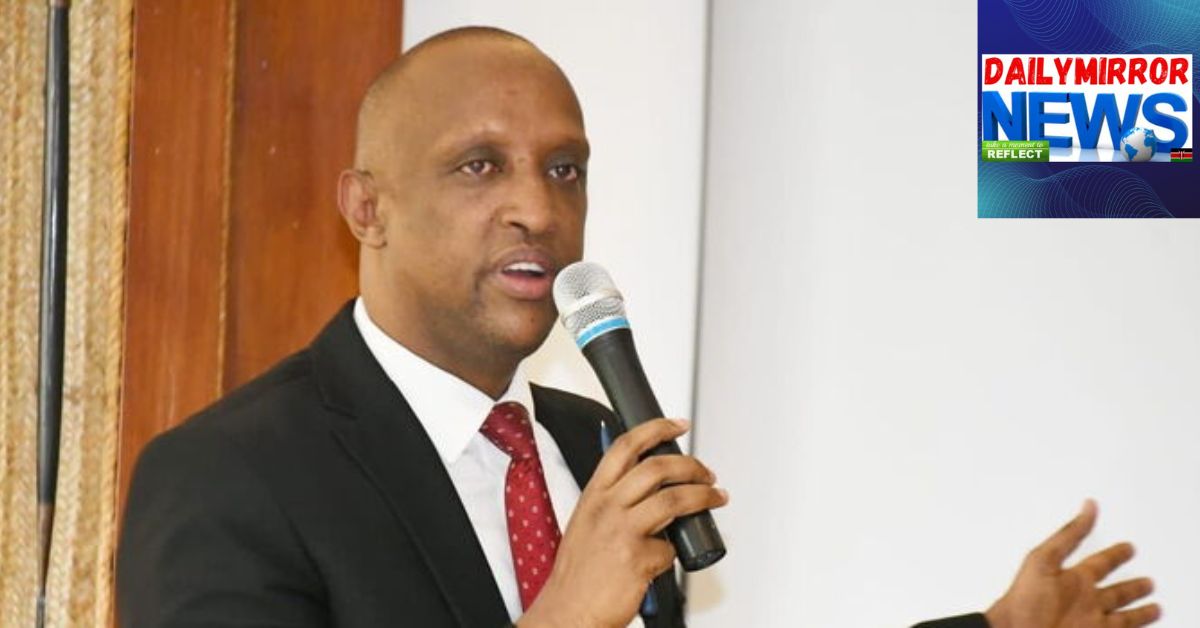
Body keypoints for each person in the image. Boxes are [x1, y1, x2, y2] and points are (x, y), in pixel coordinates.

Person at [117, 27, 1160, 628]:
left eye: (564, 169)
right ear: (367, 207)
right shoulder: (228, 479)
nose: (538, 208)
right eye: (480, 165)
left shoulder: (593, 444)